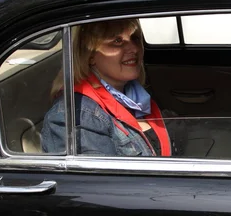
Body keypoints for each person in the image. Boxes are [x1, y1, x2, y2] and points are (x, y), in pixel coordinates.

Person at [41, 19, 185, 156]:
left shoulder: (133, 95)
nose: (134, 48)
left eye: (135, 38)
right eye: (117, 41)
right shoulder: (77, 116)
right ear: (90, 55)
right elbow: (100, 181)